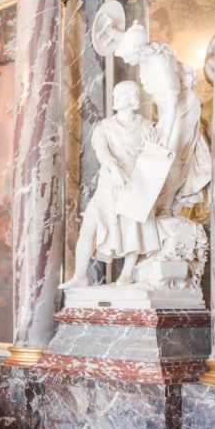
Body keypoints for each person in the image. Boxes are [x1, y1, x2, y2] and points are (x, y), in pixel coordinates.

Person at [60, 81, 160, 289]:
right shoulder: (105, 126)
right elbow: (101, 150)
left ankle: (126, 273)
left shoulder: (146, 126)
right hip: (108, 187)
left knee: (133, 230)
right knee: (89, 226)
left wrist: (153, 146)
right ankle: (79, 275)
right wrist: (113, 167)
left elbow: (155, 157)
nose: (117, 99)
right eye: (116, 95)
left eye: (122, 95)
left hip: (133, 185)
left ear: (133, 99)